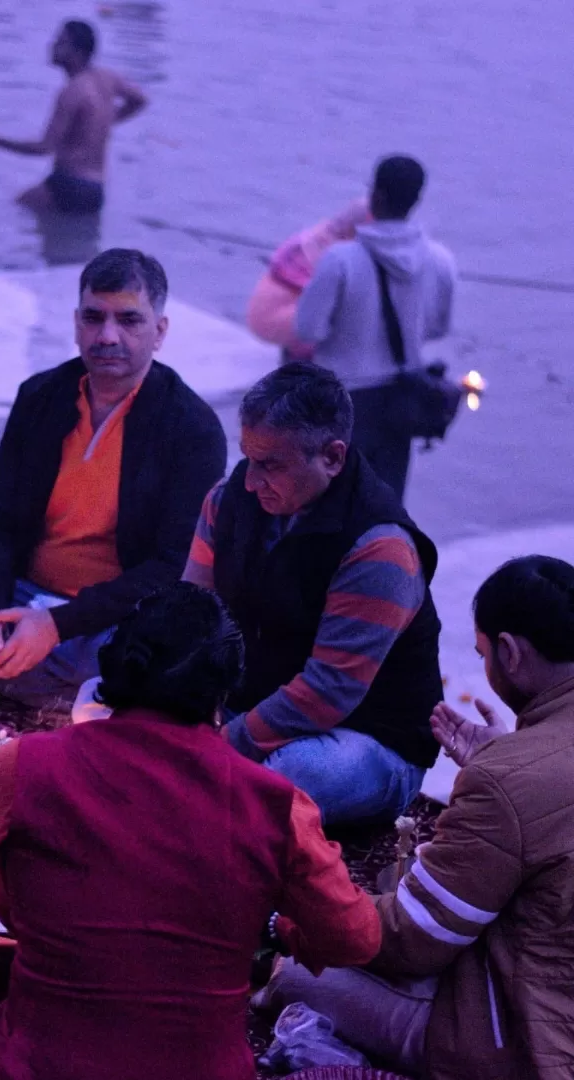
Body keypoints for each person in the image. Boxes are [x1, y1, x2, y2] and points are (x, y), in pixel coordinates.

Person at [0, 583, 381, 1080]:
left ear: (118, 667)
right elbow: (356, 939)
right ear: (223, 690)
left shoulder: (26, 765)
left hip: (35, 1061)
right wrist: (280, 924)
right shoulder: (276, 804)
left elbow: (16, 916)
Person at [259, 555, 574, 1080]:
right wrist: (512, 761)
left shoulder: (509, 780)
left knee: (296, 976)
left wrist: (285, 924)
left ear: (510, 652)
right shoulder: (518, 770)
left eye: (483, 654)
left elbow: (412, 941)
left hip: (525, 1046)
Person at [0, 248, 226, 708]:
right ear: (75, 323)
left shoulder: (192, 428)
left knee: (149, 660)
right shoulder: (42, 396)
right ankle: (66, 692)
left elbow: (170, 571)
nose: (107, 336)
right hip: (23, 600)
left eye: (129, 320)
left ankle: (27, 677)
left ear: (159, 331)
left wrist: (57, 626)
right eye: (93, 318)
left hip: (110, 621)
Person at [184, 362, 442, 825]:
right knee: (101, 704)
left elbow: (327, 692)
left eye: (271, 465)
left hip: (363, 738)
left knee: (292, 778)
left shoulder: (380, 549)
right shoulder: (227, 500)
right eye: (248, 457)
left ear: (332, 457)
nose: (251, 480)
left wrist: (218, 747)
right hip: (253, 708)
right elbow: (190, 616)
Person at [294, 155, 457, 499]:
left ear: (376, 196)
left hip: (340, 400)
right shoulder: (441, 260)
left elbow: (307, 330)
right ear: (416, 200)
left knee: (327, 505)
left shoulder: (340, 260)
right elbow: (439, 327)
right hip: (401, 401)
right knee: (382, 508)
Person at [0, 20, 146, 215]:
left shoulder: (71, 91)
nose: (52, 45)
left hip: (68, 184)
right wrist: (105, 121)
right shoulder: (109, 78)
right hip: (96, 191)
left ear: (78, 53)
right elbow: (140, 100)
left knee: (7, 212)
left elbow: (44, 148)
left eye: (61, 43)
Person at [246, 199, 369, 359]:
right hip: (278, 320)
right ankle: (305, 355)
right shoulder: (337, 254)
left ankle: (297, 349)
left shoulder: (317, 236)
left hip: (262, 314)